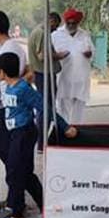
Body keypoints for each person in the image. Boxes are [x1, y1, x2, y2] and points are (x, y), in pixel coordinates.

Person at [0, 53, 77, 218]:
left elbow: (44, 107)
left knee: (15, 171)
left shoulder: (23, 88)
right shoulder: (8, 87)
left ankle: (15, 212)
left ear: (2, 71)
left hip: (24, 133)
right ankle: (45, 209)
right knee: (24, 173)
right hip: (14, 134)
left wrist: (65, 126)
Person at [0, 11, 29, 165]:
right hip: (3, 102)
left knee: (5, 147)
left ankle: (20, 176)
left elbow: (9, 79)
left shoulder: (7, 50)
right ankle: (18, 174)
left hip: (6, 103)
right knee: (7, 146)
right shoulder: (12, 47)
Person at [28, 12, 63, 151]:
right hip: (43, 74)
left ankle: (42, 141)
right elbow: (42, 56)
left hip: (42, 74)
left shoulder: (38, 32)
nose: (55, 29)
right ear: (51, 21)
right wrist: (58, 55)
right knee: (46, 108)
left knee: (45, 107)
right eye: (55, 25)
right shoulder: (42, 33)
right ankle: (42, 142)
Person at [52, 8, 94, 124]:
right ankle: (65, 130)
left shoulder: (84, 35)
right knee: (63, 108)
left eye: (73, 23)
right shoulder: (56, 35)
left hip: (81, 78)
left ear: (78, 23)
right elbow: (49, 54)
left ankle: (78, 129)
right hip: (64, 77)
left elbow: (92, 51)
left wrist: (89, 54)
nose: (71, 25)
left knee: (79, 108)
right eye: (68, 23)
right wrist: (58, 56)